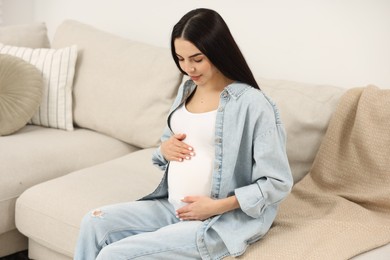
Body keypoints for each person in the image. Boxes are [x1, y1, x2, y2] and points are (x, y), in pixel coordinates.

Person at [74, 8, 293, 260]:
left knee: (114, 255)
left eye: (197, 59)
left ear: (218, 51)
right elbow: (168, 144)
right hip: (172, 206)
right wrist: (164, 150)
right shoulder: (187, 89)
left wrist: (216, 206)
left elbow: (277, 183)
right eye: (180, 58)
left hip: (217, 220)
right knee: (93, 223)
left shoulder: (253, 104)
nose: (188, 68)